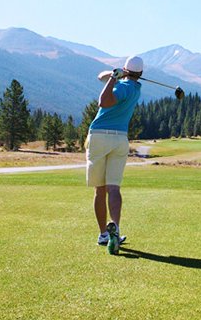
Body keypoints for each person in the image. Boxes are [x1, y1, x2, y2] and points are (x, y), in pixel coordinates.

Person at [86, 56, 144, 254]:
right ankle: (116, 230)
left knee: (99, 190)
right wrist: (113, 74)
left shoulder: (122, 87)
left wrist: (114, 78)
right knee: (114, 188)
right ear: (141, 74)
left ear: (126, 71)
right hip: (120, 139)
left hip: (100, 136)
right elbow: (99, 76)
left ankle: (104, 234)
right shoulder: (136, 89)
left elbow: (103, 101)